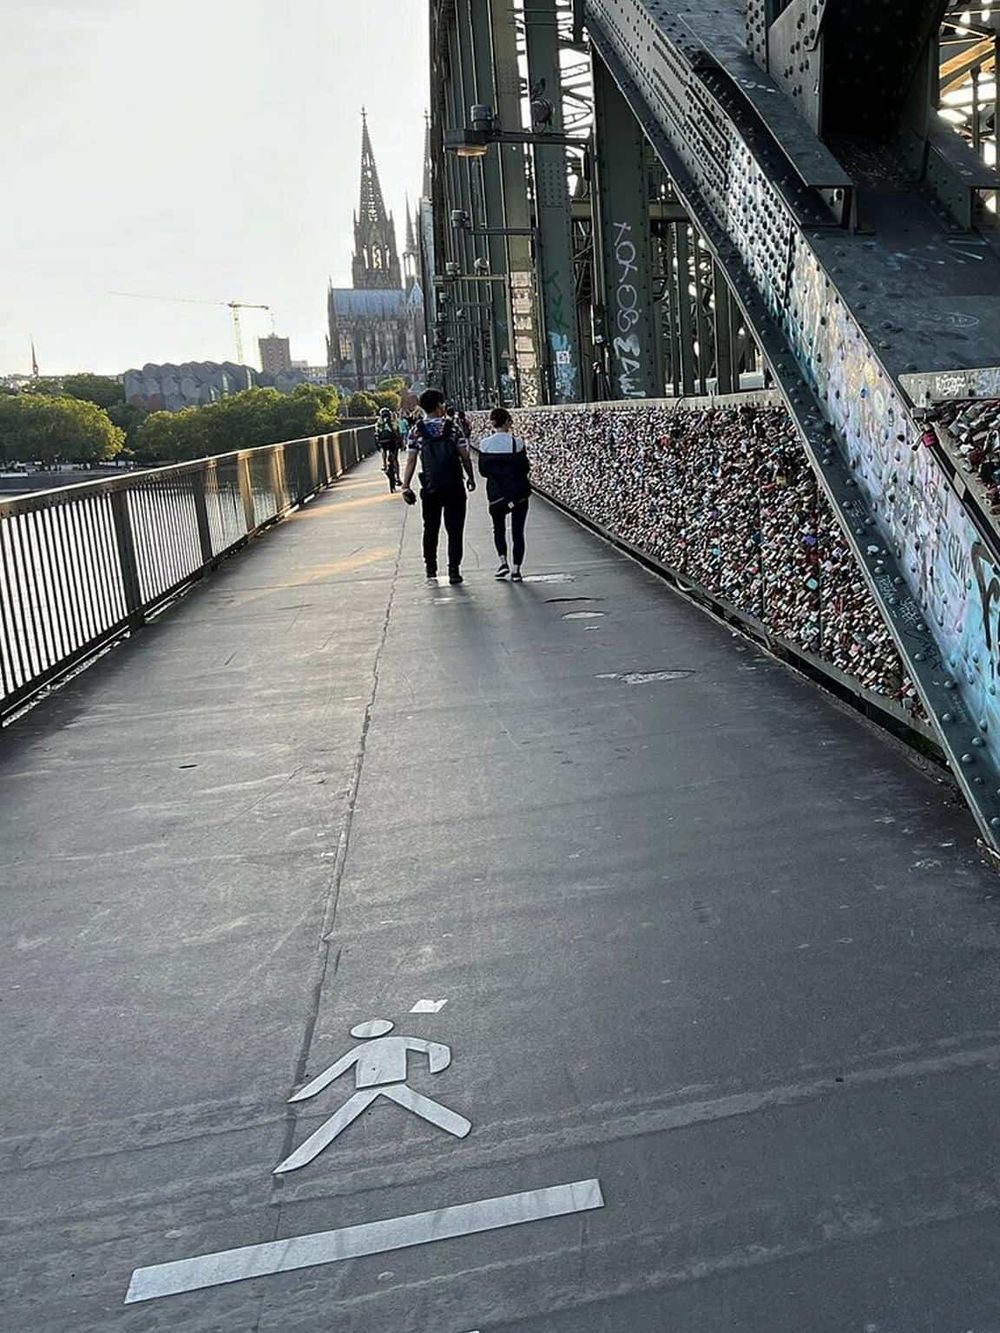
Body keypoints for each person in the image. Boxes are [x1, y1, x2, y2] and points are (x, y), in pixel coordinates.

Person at [402, 388, 476, 584]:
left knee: (430, 528)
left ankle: (431, 568)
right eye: (442, 403)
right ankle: (454, 570)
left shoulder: (416, 430)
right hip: (454, 486)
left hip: (430, 486)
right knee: (455, 529)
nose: (444, 407)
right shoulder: (453, 428)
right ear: (438, 405)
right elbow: (465, 456)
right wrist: (470, 477)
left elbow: (411, 461)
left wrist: (405, 485)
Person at [478, 406, 531, 580]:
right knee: (518, 531)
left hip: (496, 494)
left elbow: (483, 472)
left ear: (492, 423)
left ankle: (503, 563)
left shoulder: (485, 444)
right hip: (517, 494)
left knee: (498, 529)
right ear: (508, 421)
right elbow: (525, 468)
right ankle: (516, 570)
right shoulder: (518, 443)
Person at [376, 408, 403, 492]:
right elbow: (398, 433)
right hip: (392, 442)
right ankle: (398, 477)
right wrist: (401, 444)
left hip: (383, 442)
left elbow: (376, 434)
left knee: (383, 450)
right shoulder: (393, 422)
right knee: (395, 459)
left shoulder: (379, 423)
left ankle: (384, 464)